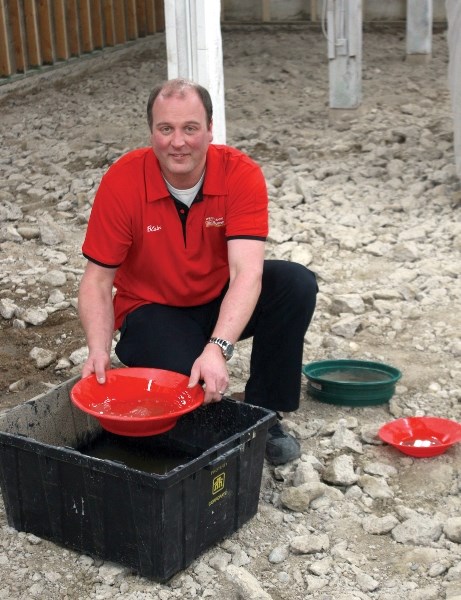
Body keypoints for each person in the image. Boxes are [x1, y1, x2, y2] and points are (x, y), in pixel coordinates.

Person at [78, 78, 318, 465]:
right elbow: (97, 280)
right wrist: (97, 350)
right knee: (182, 386)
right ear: (151, 132)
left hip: (218, 296)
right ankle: (211, 421)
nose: (178, 142)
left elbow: (246, 274)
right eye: (166, 129)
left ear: (210, 129)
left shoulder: (240, 174)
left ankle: (265, 412)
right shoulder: (122, 181)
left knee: (295, 283)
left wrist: (218, 347)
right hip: (153, 308)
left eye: (190, 128)